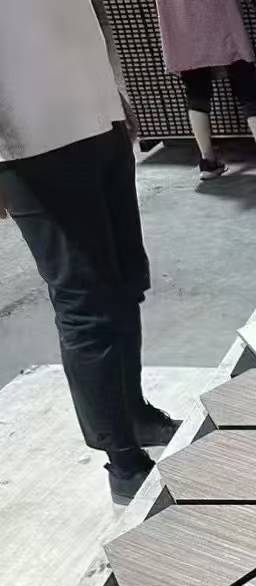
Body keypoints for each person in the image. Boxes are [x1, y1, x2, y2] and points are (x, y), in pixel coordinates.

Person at [0, 0, 177, 499]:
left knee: (125, 279)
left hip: (95, 114)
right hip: (29, 140)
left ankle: (134, 414)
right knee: (85, 299)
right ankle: (121, 458)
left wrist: (112, 92)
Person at [155, 0, 256, 181]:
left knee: (195, 89)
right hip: (218, 14)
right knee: (246, 81)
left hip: (180, 22)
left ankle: (208, 162)